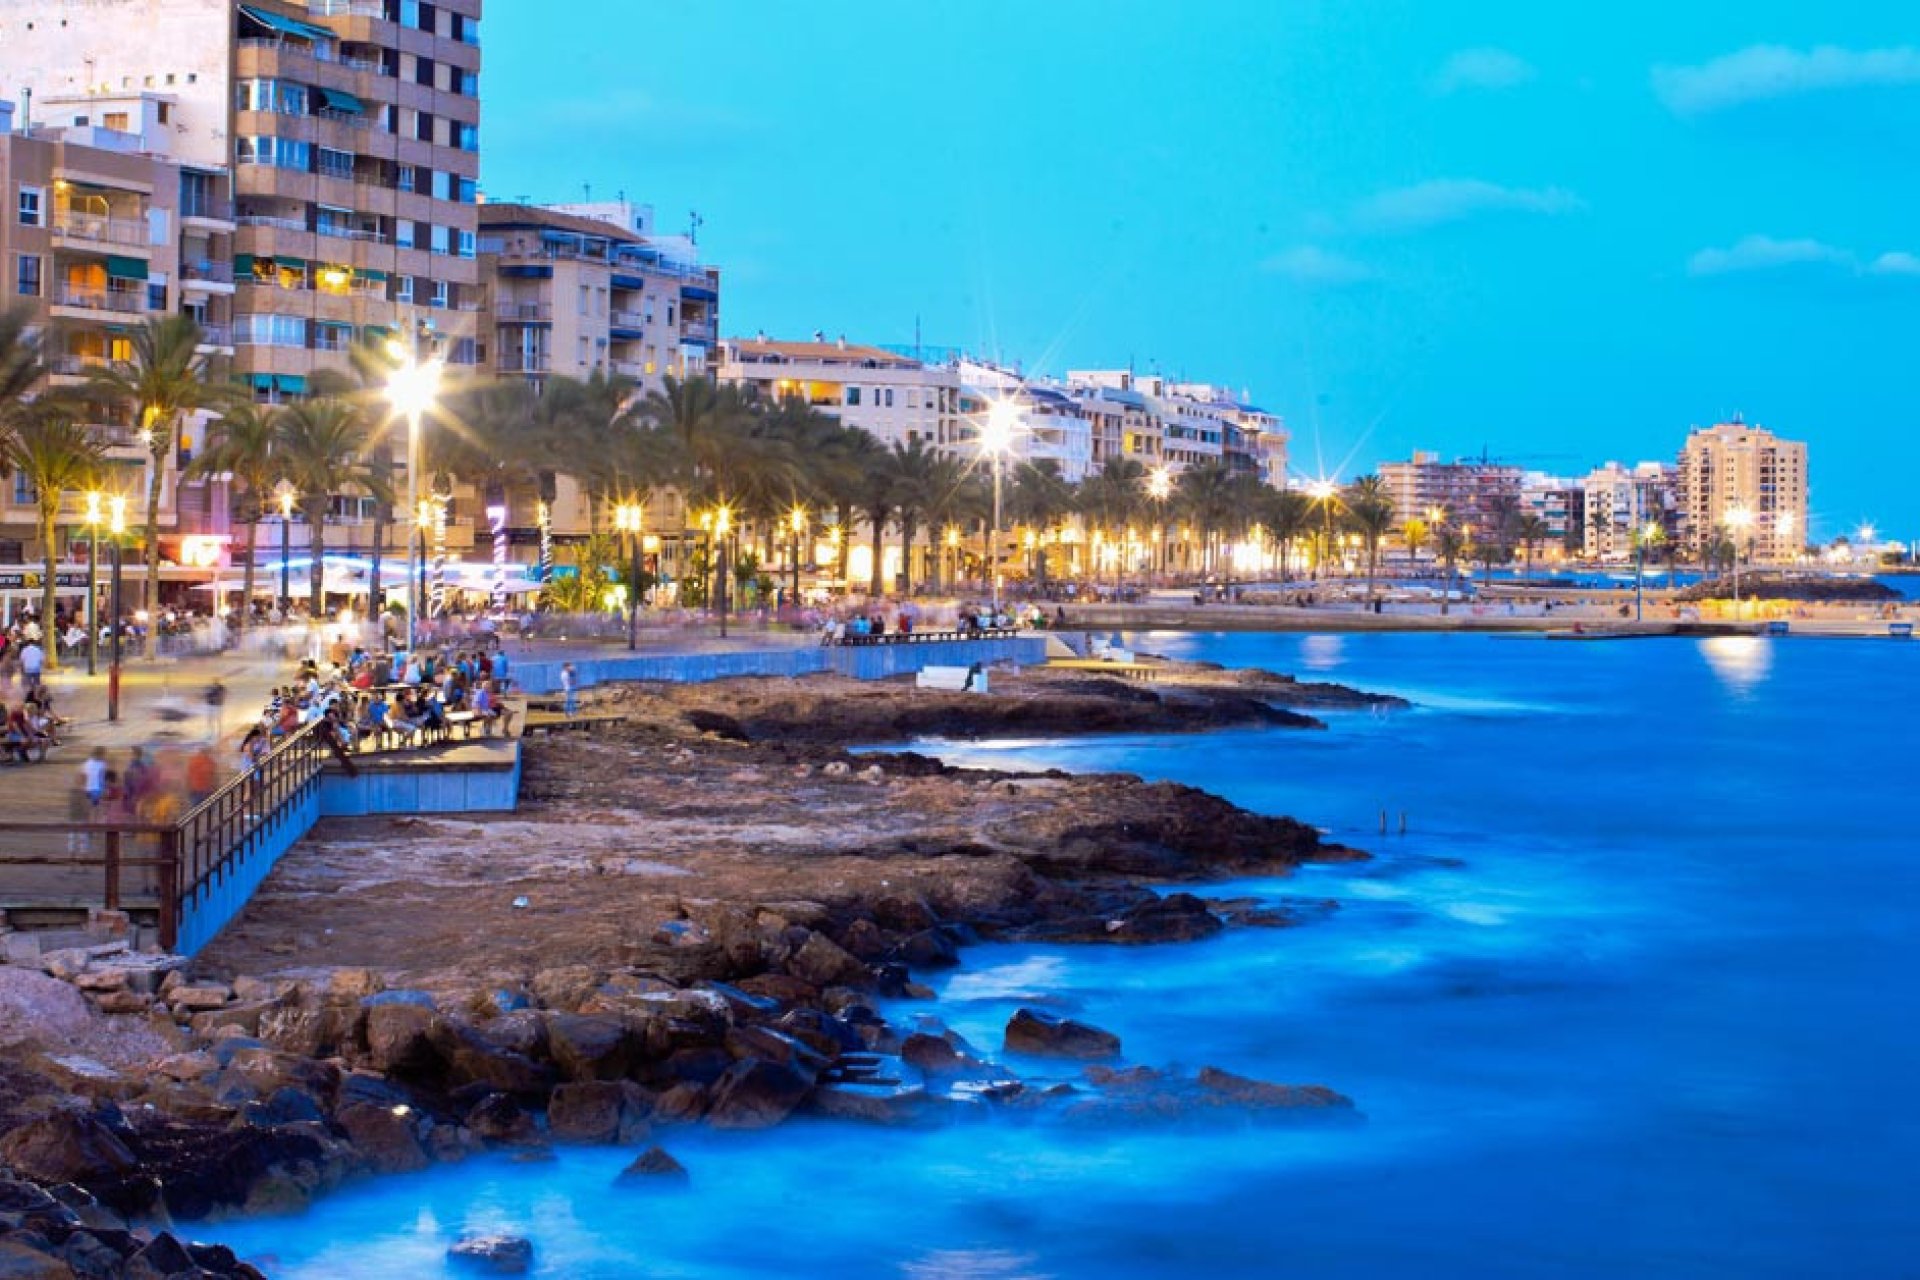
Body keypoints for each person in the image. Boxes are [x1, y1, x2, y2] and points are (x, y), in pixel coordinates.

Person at [81, 747, 109, 818]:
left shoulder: (87, 763)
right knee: (97, 810)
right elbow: (102, 778)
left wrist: (83, 787)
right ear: (101, 754)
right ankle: (96, 825)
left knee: (91, 810)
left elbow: (84, 776)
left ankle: (91, 825)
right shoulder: (102, 764)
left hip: (88, 788)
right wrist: (105, 789)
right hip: (97, 789)